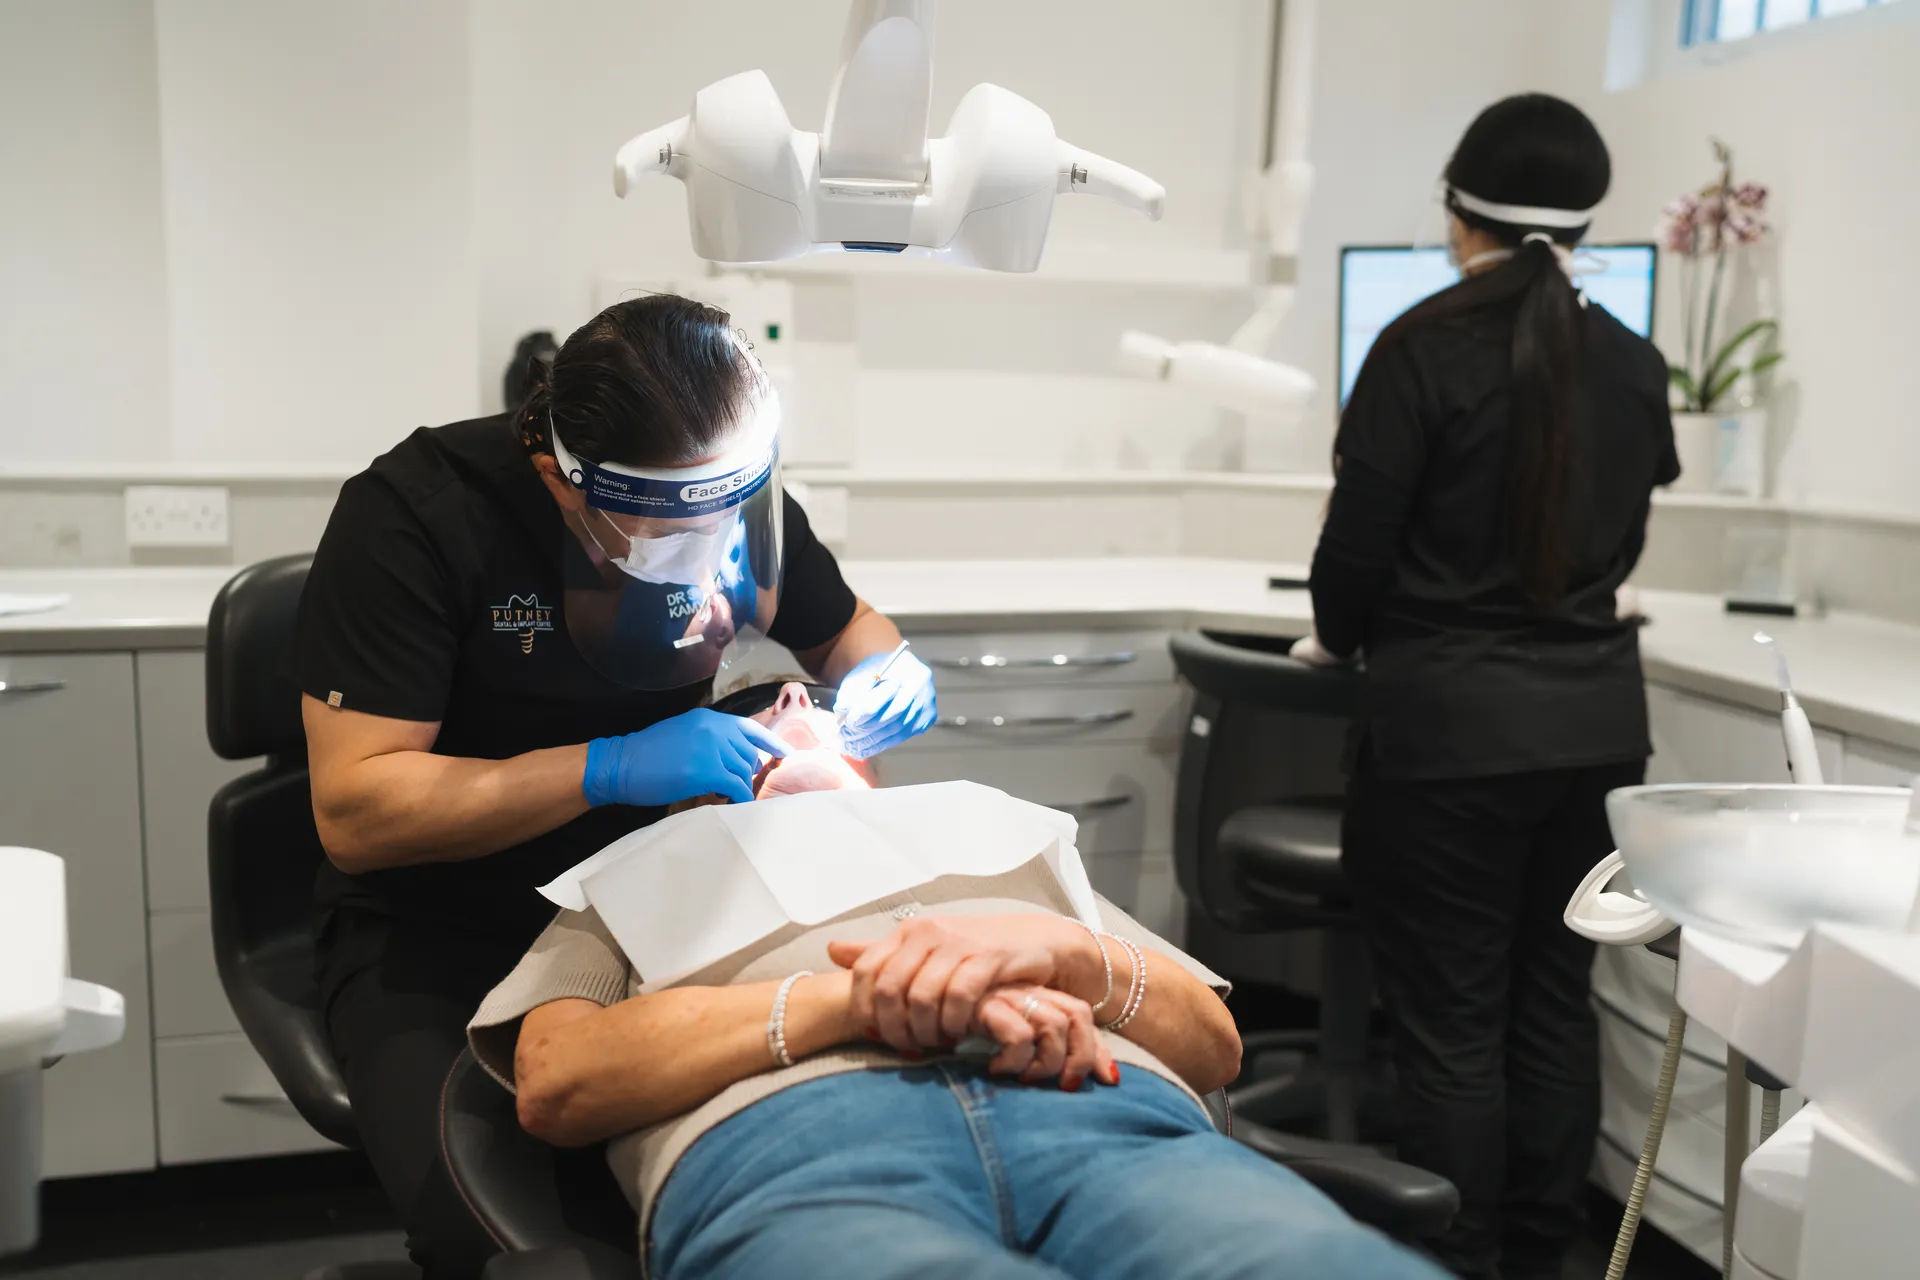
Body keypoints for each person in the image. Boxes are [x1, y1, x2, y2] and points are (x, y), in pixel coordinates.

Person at [294, 295, 939, 1277]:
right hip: (441, 922)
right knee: (511, 1230)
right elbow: (358, 810)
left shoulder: (733, 494)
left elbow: (849, 631)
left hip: (656, 896)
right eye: (676, 532)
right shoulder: (422, 518)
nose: (714, 553)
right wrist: (610, 765)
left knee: (746, 1175)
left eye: (727, 515)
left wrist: (884, 671)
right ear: (562, 480)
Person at [470, 772, 1449, 1280]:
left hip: (1112, 1122)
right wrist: (853, 1002)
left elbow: (1214, 1044)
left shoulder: (1001, 844)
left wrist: (1065, 953)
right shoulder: (635, 878)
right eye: (767, 714)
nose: (797, 715)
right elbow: (558, 1078)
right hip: (805, 1151)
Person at [1302, 95, 1679, 1279]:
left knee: (1454, 1023)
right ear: (1581, 222)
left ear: (1460, 213)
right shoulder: (1632, 359)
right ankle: (1544, 1251)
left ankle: (1450, 1261)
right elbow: (1614, 554)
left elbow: (1348, 574)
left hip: (1452, 742)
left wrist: (1352, 635)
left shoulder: (1419, 346)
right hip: (1597, 737)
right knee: (1554, 1005)